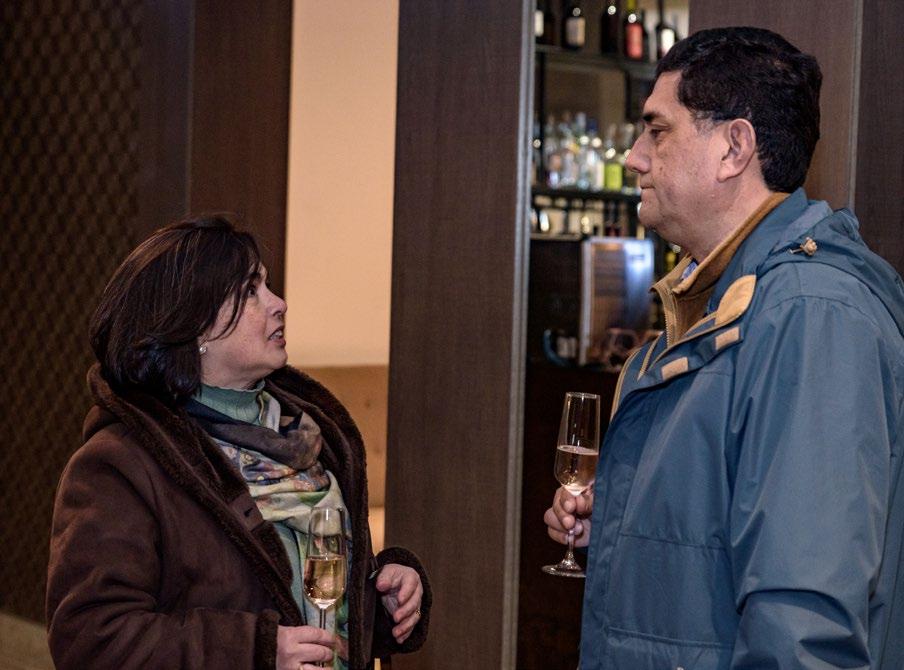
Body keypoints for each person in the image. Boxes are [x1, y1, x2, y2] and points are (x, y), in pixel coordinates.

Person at [545, 26, 904, 668]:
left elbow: (803, 621)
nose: (634, 157)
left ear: (734, 148)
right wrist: (626, 522)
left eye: (657, 131)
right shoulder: (723, 300)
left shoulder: (810, 315)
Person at [46, 216, 430, 670]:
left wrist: (383, 597)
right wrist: (255, 650)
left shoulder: (308, 435)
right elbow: (92, 639)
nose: (279, 303)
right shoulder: (122, 463)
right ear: (194, 327)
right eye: (250, 291)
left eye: (267, 285)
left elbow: (317, 603)